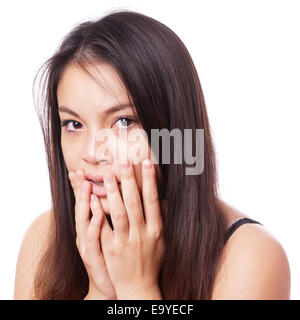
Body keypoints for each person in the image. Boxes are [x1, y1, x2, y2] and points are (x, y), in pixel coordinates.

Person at [14, 10, 290, 300]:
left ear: (174, 130)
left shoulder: (249, 254)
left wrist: (137, 287)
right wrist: (100, 292)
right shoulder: (44, 237)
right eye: (74, 124)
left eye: (123, 122)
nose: (92, 152)